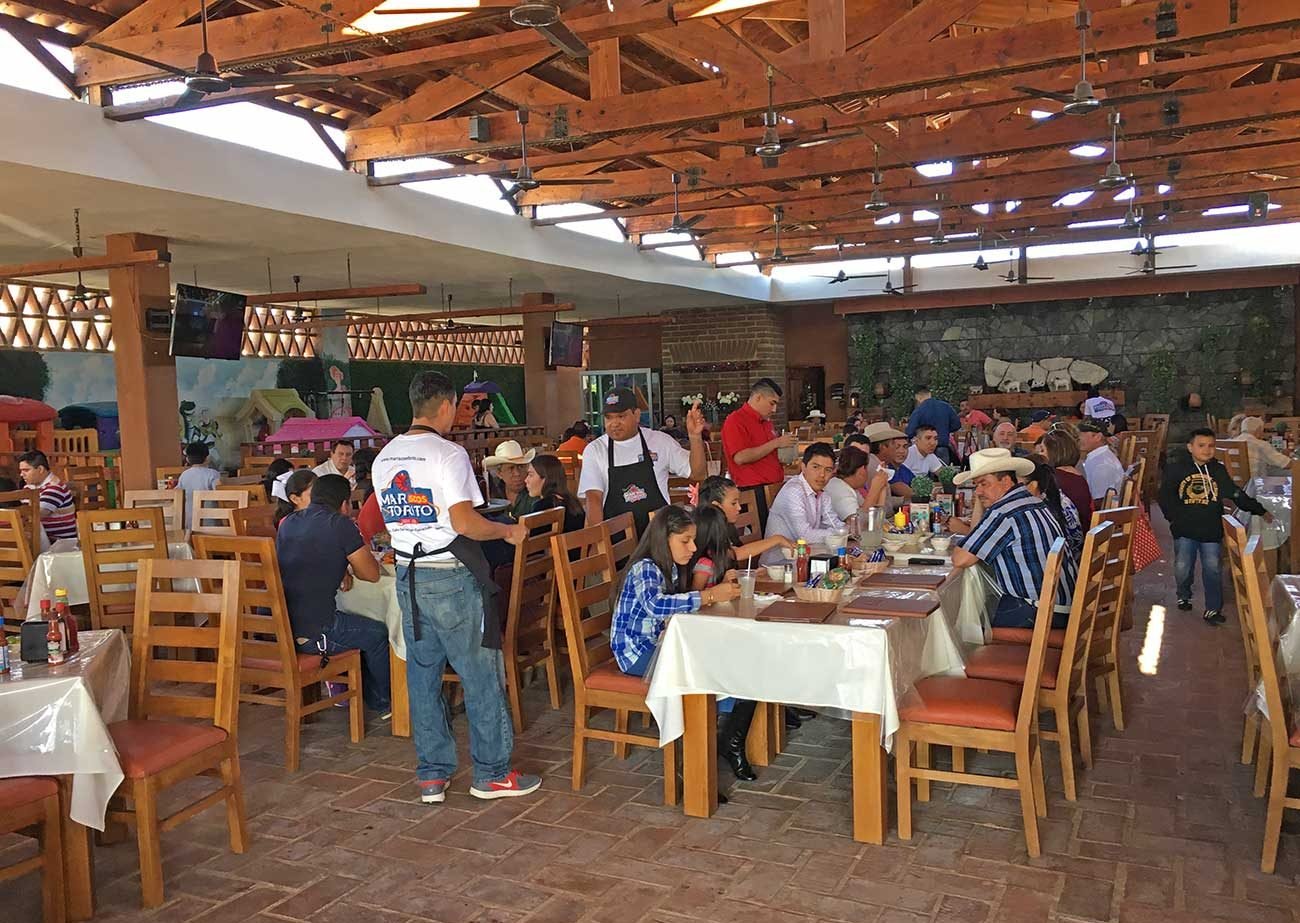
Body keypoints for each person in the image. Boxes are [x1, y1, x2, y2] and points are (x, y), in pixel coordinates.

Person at [372, 371, 537, 803]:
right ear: (445, 406)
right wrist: (506, 533)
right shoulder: (448, 454)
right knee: (481, 673)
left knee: (424, 677)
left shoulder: (384, 457)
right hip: (449, 573)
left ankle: (431, 774)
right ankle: (492, 773)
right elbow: (463, 523)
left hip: (407, 574)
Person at [275, 474, 390, 714]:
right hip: (316, 632)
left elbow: (304, 559)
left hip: (283, 627)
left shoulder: (288, 522)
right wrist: (349, 566)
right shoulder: (339, 523)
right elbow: (371, 574)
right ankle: (383, 701)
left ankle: (365, 694)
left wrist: (341, 569)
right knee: (379, 633)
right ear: (344, 503)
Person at [950, 449, 1078, 630]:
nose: (978, 491)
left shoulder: (1004, 511)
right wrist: (984, 497)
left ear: (1006, 481)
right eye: (975, 485)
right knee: (979, 608)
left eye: (984, 484)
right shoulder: (1031, 501)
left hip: (1038, 612)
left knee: (964, 626)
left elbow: (961, 559)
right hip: (1060, 608)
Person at [1158, 427, 1271, 625]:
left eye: (1211, 446)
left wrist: (1259, 509)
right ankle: (1184, 594)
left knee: (1213, 569)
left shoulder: (1217, 470)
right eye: (1201, 445)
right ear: (1190, 447)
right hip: (1184, 529)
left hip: (1211, 529)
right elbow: (1165, 496)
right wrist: (1173, 518)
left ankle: (1212, 608)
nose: (1207, 450)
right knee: (1183, 566)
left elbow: (1234, 493)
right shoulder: (1177, 469)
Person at [613, 505, 738, 677]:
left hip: (660, 642)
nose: (694, 548)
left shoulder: (671, 567)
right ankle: (716, 703)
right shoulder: (645, 567)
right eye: (685, 541)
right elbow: (655, 605)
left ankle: (726, 703)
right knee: (711, 668)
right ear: (664, 539)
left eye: (693, 540)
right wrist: (709, 595)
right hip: (637, 653)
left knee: (723, 654)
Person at [687, 504, 762, 782]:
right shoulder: (704, 564)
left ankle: (731, 738)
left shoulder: (716, 561)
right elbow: (695, 597)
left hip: (718, 631)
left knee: (755, 660)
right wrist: (715, 590)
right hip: (702, 637)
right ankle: (729, 742)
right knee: (746, 666)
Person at [579, 387, 706, 534]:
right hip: (617, 540)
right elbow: (594, 499)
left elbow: (698, 474)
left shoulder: (660, 441)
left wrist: (695, 437)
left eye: (621, 416)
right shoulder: (595, 450)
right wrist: (600, 540)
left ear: (637, 415)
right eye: (609, 417)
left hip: (659, 538)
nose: (614, 423)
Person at [721, 378, 798, 532]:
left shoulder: (766, 422)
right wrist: (776, 443)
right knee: (768, 536)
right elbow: (740, 457)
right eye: (772, 403)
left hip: (773, 487)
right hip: (753, 490)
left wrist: (784, 455)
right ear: (758, 398)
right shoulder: (735, 420)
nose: (774, 409)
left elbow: (766, 453)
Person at [761, 443, 842, 565]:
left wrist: (843, 530)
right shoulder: (793, 491)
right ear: (803, 467)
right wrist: (839, 533)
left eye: (828, 470)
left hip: (806, 558)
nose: (822, 475)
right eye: (816, 467)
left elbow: (834, 523)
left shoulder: (822, 494)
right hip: (779, 564)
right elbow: (805, 536)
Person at [696, 476, 795, 567]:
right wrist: (776, 539)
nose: (739, 507)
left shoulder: (727, 527)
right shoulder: (707, 529)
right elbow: (736, 554)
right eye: (733, 503)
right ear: (717, 506)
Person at [1022, 460, 1083, 557]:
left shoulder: (1039, 510)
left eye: (1019, 486)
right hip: (1072, 561)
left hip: (1060, 563)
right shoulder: (1060, 498)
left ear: (1033, 485)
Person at [1037, 429, 1094, 527]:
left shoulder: (1052, 478)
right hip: (1083, 532)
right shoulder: (1078, 476)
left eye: (1042, 450)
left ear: (1053, 452)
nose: (1039, 455)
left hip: (1066, 538)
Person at [17, 451, 75, 542]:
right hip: (39, 540)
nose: (21, 474)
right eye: (21, 471)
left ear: (40, 469)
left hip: (58, 544)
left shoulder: (55, 488)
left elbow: (35, 515)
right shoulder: (29, 487)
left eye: (26, 470)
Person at [824, 446, 890, 524]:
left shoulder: (851, 487)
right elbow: (857, 524)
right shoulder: (838, 488)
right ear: (862, 470)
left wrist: (882, 488)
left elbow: (875, 519)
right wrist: (874, 489)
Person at [523, 454, 585, 533]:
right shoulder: (573, 502)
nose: (526, 480)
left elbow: (531, 541)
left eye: (530, 475)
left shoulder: (543, 507)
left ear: (545, 478)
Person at [483, 440, 538, 520]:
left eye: (520, 467)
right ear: (499, 473)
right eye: (511, 468)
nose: (517, 473)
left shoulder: (534, 493)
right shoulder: (493, 493)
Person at [906, 386, 961, 463]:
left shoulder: (919, 410)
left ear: (918, 397)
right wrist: (944, 430)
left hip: (925, 450)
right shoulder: (946, 406)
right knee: (943, 473)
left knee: (925, 473)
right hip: (942, 446)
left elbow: (910, 432)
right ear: (930, 394)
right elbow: (957, 425)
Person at [176, 441, 221, 529]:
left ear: (187, 459)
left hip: (189, 522)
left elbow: (177, 492)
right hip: (210, 522)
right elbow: (220, 492)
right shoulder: (213, 474)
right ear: (207, 458)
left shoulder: (184, 475)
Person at [1078, 421, 1126, 504]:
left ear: (1098, 437)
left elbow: (1101, 502)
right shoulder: (1100, 456)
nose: (1079, 438)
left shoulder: (1101, 465)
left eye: (1082, 434)